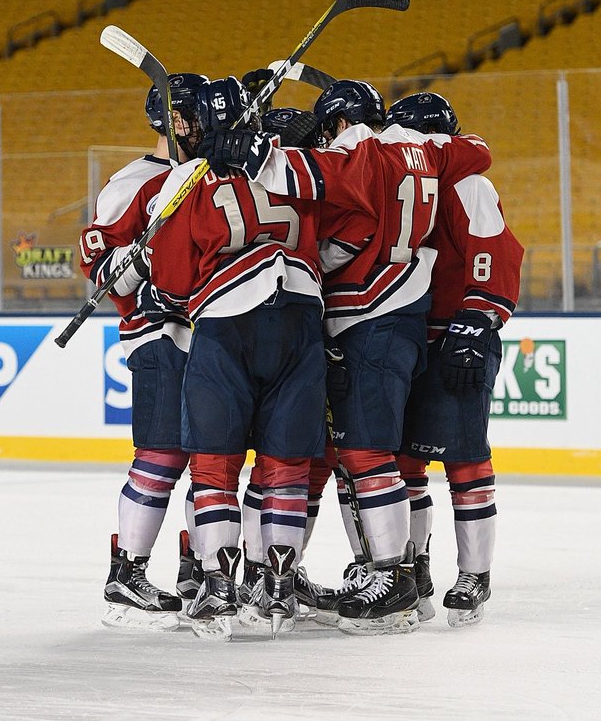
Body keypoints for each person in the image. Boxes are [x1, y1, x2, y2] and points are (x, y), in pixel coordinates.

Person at [199, 78, 492, 635]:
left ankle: (393, 580)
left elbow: (319, 183)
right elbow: (477, 148)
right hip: (399, 312)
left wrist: (255, 151)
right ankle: (381, 573)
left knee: (363, 454)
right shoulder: (427, 149)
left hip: (369, 314)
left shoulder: (360, 149)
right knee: (358, 455)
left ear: (336, 123)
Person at [148, 78, 329, 640]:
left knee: (215, 463)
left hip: (227, 321)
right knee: (285, 462)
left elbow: (174, 279)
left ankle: (219, 586)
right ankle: (277, 586)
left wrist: (163, 288)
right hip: (302, 315)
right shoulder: (286, 163)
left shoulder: (185, 179)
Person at [386, 92, 524, 627]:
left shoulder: (468, 183)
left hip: (460, 333)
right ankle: (413, 566)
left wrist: (480, 314)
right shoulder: (401, 182)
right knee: (403, 463)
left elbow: (496, 250)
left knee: (464, 457)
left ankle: (474, 572)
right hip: (406, 334)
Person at [78, 72, 208, 632]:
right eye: (199, 114)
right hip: (160, 336)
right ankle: (126, 574)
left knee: (212, 455)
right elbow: (99, 264)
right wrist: (129, 264)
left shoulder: (207, 175)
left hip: (209, 335)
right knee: (162, 453)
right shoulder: (134, 181)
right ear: (176, 121)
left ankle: (199, 569)